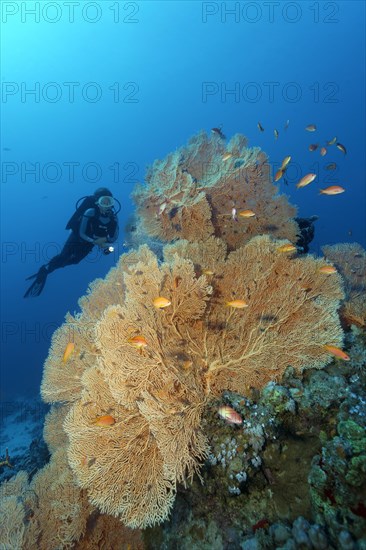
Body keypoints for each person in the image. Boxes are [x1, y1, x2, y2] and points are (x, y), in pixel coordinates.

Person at [24, 187, 120, 298]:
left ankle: (50, 267)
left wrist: (104, 241)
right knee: (64, 256)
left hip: (90, 244)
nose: (106, 205)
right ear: (97, 202)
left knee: (75, 261)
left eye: (109, 202)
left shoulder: (114, 217)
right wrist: (95, 240)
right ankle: (45, 269)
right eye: (104, 201)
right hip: (76, 238)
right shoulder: (90, 212)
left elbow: (114, 237)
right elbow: (82, 233)